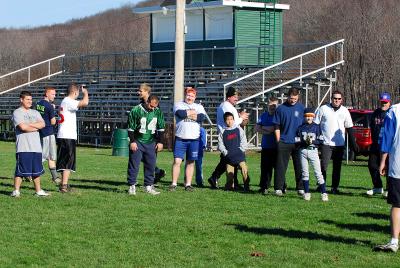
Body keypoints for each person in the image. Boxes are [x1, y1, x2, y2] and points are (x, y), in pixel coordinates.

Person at [314, 90, 358, 194]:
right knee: (323, 166)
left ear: (341, 100)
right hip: (326, 143)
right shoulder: (323, 109)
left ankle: (334, 188)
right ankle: (321, 185)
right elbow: (316, 125)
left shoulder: (345, 111)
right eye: (335, 98)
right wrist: (316, 141)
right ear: (331, 99)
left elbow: (350, 127)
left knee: (337, 167)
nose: (336, 100)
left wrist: (353, 144)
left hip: (339, 144)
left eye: (339, 99)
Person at [208, 86, 249, 189]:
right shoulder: (226, 106)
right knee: (228, 159)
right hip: (227, 136)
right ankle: (216, 177)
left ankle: (230, 182)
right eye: (234, 96)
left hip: (231, 135)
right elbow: (231, 122)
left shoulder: (229, 105)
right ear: (229, 97)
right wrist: (241, 118)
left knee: (229, 160)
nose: (237, 98)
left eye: (237, 96)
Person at [11, 91, 49, 197]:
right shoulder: (17, 112)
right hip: (23, 147)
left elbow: (43, 124)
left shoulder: (35, 112)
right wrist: (35, 126)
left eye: (31, 99)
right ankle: (16, 191)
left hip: (36, 147)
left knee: (36, 171)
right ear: (21, 100)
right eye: (27, 99)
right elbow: (23, 128)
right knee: (20, 170)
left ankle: (38, 191)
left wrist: (29, 125)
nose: (30, 102)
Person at [374, 101, 400, 252]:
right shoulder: (393, 111)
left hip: (397, 166)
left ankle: (394, 241)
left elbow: (387, 138)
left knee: (397, 205)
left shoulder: (394, 111)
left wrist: (383, 161)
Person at [127, 94, 165, 195]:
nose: (153, 108)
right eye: (151, 106)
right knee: (134, 164)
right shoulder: (136, 110)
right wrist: (132, 141)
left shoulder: (158, 111)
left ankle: (148, 186)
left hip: (151, 141)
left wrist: (160, 141)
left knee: (151, 165)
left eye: (155, 106)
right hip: (138, 140)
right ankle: (132, 186)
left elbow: (161, 128)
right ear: (147, 102)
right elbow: (131, 128)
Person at [170, 87, 206, 191]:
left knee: (191, 162)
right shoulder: (178, 104)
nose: (189, 97)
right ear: (185, 95)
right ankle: (174, 183)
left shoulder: (199, 106)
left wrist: (187, 113)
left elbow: (201, 118)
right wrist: (192, 113)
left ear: (195, 97)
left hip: (194, 139)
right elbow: (180, 114)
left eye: (192, 96)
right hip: (180, 138)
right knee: (177, 161)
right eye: (188, 95)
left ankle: (188, 184)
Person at [56, 83, 89, 193]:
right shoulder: (69, 101)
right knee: (68, 162)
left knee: (64, 160)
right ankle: (64, 186)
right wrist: (86, 93)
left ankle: (63, 184)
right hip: (67, 136)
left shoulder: (64, 101)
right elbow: (85, 102)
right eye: (78, 92)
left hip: (63, 135)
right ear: (75, 92)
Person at [272, 88, 304, 196]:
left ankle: (300, 188)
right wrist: (278, 141)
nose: (293, 100)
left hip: (298, 143)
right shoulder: (280, 109)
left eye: (295, 98)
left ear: (298, 97)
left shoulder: (301, 108)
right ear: (287, 96)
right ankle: (278, 188)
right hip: (284, 141)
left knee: (300, 166)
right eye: (291, 98)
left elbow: (305, 124)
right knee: (281, 166)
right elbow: (276, 126)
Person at [295, 108, 328, 201]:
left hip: (313, 150)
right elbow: (296, 141)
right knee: (305, 173)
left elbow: (321, 140)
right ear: (304, 117)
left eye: (310, 116)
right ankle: (306, 192)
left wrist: (312, 141)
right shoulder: (300, 128)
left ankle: (324, 193)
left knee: (318, 173)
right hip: (303, 151)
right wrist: (304, 142)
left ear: (313, 117)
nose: (309, 118)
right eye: (307, 116)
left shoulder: (317, 127)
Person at [137, 83, 165, 183]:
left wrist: (160, 140)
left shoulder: (154, 102)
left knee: (148, 159)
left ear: (146, 92)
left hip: (152, 137)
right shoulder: (141, 103)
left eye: (140, 91)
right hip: (142, 136)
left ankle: (149, 182)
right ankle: (156, 173)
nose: (138, 92)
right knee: (141, 158)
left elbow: (158, 121)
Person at [367, 92, 391, 196]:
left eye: (385, 102)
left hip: (388, 145)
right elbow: (372, 127)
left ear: (389, 102)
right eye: (382, 102)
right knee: (372, 165)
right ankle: (378, 186)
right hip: (376, 144)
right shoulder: (375, 113)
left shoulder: (392, 113)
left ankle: (389, 189)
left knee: (389, 167)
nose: (383, 104)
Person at [36, 87, 61, 185]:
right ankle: (29, 173)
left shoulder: (38, 103)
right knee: (45, 156)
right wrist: (53, 112)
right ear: (46, 94)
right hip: (48, 133)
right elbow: (53, 121)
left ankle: (55, 177)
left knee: (50, 155)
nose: (54, 96)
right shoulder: (50, 106)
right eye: (53, 94)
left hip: (40, 132)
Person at [218, 112, 249, 191]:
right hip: (229, 157)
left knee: (244, 170)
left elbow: (244, 140)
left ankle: (246, 187)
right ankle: (229, 187)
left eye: (231, 119)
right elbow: (220, 145)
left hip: (239, 155)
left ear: (234, 120)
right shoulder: (222, 132)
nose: (230, 121)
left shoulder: (238, 129)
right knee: (229, 174)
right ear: (225, 121)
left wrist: (241, 149)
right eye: (228, 120)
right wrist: (226, 153)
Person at [255, 96, 278, 195]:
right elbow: (256, 128)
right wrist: (269, 129)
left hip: (277, 146)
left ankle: (281, 187)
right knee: (265, 168)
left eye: (274, 105)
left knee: (278, 168)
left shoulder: (279, 115)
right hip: (266, 146)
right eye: (271, 105)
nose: (272, 107)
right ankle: (264, 187)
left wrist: (265, 128)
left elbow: (275, 128)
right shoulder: (263, 115)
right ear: (267, 105)